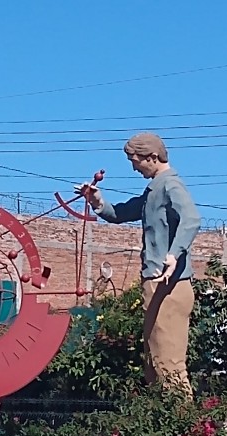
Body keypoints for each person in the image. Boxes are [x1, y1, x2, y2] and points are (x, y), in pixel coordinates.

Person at [76, 132, 201, 399]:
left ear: (152, 157)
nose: (134, 167)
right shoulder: (154, 189)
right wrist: (96, 200)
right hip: (157, 285)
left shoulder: (170, 185)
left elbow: (191, 219)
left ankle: (186, 430)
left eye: (136, 161)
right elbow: (121, 213)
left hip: (169, 285)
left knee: (168, 364)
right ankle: (165, 422)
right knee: (154, 362)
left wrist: (174, 253)